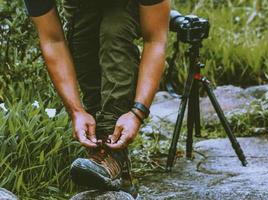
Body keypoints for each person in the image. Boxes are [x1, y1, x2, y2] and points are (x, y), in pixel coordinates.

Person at [23, 0, 170, 197]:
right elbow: (52, 40)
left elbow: (155, 40)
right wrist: (77, 111)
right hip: (82, 7)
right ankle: (107, 157)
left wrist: (137, 112)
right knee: (83, 41)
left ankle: (112, 153)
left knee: (115, 31)